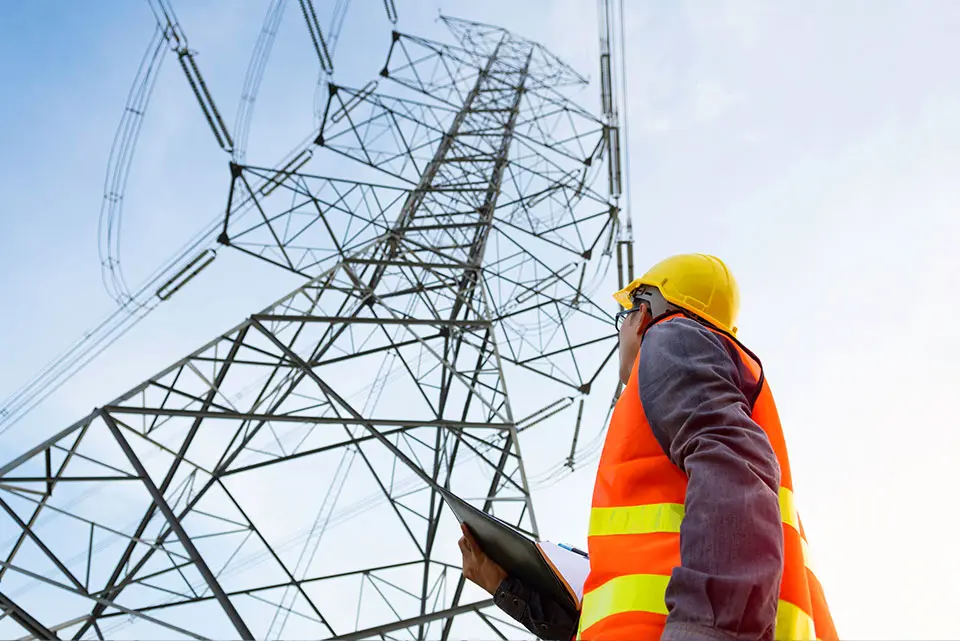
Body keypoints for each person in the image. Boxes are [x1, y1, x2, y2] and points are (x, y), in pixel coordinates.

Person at [458, 253, 837, 641]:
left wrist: (707, 630)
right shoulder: (690, 375)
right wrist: (510, 589)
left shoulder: (675, 337)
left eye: (624, 316)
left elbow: (733, 473)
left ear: (643, 313)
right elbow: (623, 614)